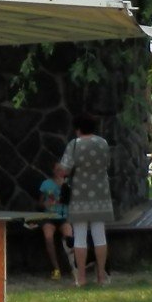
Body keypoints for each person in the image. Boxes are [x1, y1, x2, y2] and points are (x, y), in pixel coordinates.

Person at [56, 115, 115, 287]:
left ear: (78, 129)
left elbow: (64, 170)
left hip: (80, 195)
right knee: (99, 234)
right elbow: (107, 164)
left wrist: (62, 171)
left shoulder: (74, 145)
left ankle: (81, 277)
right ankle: (101, 275)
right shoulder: (103, 143)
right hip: (101, 194)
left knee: (80, 236)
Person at [29, 171, 70, 279]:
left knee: (69, 236)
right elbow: (39, 203)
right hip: (49, 217)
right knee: (48, 237)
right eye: (56, 169)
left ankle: (74, 266)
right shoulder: (46, 184)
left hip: (63, 216)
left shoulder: (68, 184)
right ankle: (56, 269)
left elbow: (72, 200)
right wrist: (44, 204)